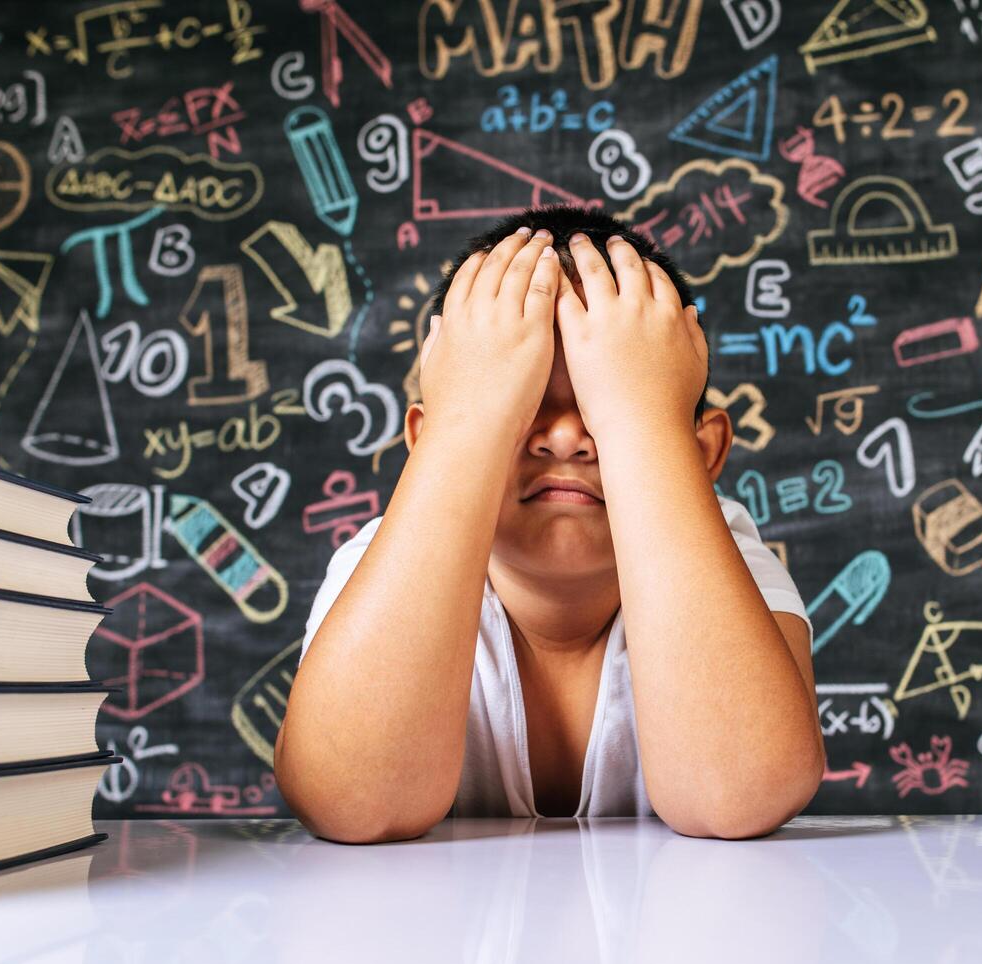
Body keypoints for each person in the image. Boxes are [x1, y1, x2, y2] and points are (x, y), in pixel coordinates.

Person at [275, 204, 824, 841]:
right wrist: (469, 426)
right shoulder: (390, 560)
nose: (564, 438)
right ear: (429, 451)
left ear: (702, 456)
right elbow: (349, 804)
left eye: (601, 406)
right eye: (524, 406)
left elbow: (741, 798)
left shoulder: (724, 559)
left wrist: (645, 424)